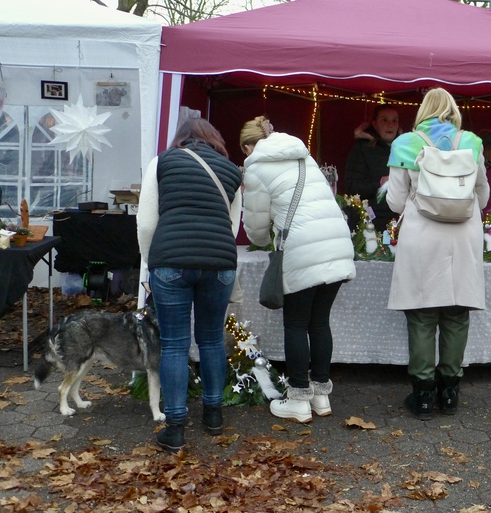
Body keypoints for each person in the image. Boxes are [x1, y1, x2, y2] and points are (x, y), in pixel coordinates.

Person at [240, 116, 356, 423]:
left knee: (295, 323)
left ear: (250, 146)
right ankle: (321, 396)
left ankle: (298, 399)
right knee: (319, 323)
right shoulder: (305, 155)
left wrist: (265, 239)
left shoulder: (256, 166)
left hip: (303, 248)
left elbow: (255, 229)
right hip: (338, 246)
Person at [137, 118, 243, 453]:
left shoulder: (163, 162)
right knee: (212, 339)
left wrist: (149, 264)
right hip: (219, 264)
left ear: (180, 138)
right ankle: (213, 416)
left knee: (173, 345)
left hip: (171, 261)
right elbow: (232, 225)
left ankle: (175, 428)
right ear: (215, 140)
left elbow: (146, 222)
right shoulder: (231, 171)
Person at [386, 88, 489, 421]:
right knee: (457, 315)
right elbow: (483, 196)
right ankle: (450, 392)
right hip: (463, 236)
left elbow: (395, 201)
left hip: (422, 237)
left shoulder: (405, 143)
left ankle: (424, 397)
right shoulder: (472, 142)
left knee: (422, 316)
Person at [345, 105, 400, 232]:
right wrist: (380, 183)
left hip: (400, 223)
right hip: (371, 226)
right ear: (375, 124)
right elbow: (352, 186)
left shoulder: (405, 152)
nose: (390, 125)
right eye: (384, 120)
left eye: (394, 120)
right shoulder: (362, 149)